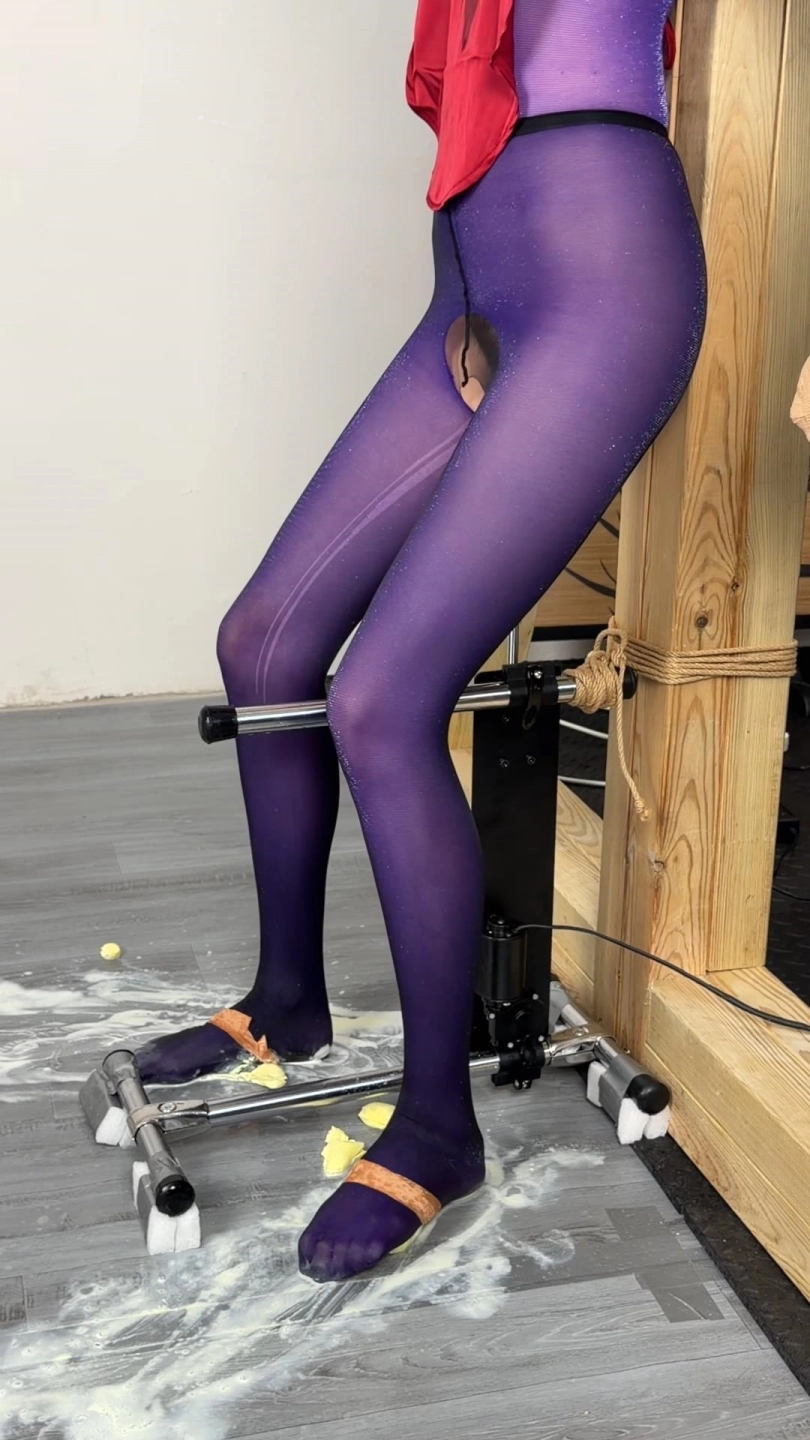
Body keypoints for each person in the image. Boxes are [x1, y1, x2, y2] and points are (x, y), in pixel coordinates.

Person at [137, 0, 706, 1282]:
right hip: (471, 266)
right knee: (265, 644)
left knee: (383, 699)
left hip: (602, 266)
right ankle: (289, 997)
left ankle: (440, 1126)